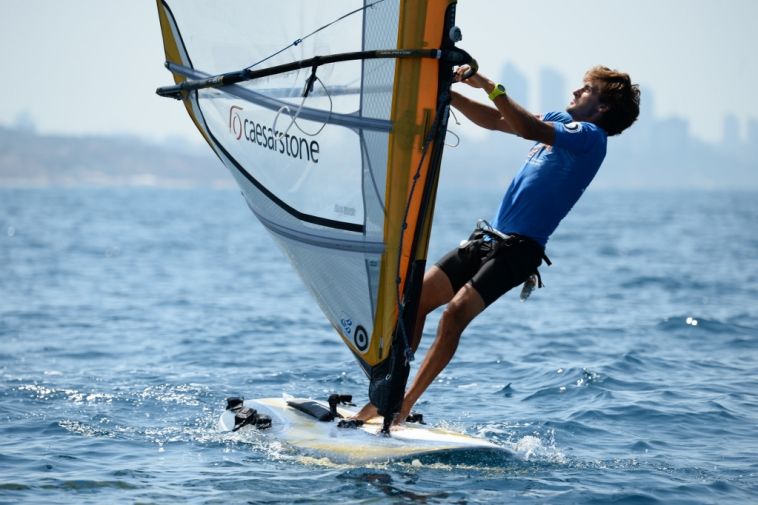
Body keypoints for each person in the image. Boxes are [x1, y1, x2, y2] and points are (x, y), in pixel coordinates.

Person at [354, 64, 640, 424]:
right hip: (489, 238)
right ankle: (386, 397)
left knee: (454, 315)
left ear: (601, 107)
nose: (575, 91)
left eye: (586, 89)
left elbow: (527, 128)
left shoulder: (590, 136)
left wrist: (489, 85)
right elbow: (496, 120)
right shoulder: (560, 123)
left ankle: (404, 406)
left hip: (520, 250)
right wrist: (449, 95)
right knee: (414, 301)